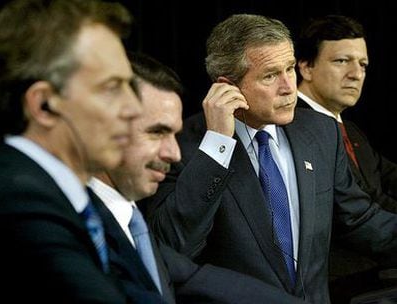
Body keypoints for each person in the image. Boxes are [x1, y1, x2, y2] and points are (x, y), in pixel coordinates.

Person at [139, 14, 397, 304]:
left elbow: (360, 219)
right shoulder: (183, 145)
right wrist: (217, 146)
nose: (289, 87)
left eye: (289, 68)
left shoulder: (321, 132)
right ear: (227, 86)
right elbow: (173, 247)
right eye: (270, 75)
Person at [89, 52, 308, 304]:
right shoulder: (69, 222)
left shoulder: (127, 220)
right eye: (156, 132)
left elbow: (191, 276)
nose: (172, 153)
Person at [0, 0, 142, 302]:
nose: (133, 108)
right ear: (43, 105)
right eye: (111, 87)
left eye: (129, 86)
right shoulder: (17, 204)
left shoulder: (81, 199)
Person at [295, 15, 397, 302]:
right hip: (338, 280)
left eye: (362, 64)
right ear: (306, 67)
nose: (356, 73)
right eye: (342, 61)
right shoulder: (295, 128)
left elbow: (386, 180)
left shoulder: (348, 128)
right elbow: (351, 217)